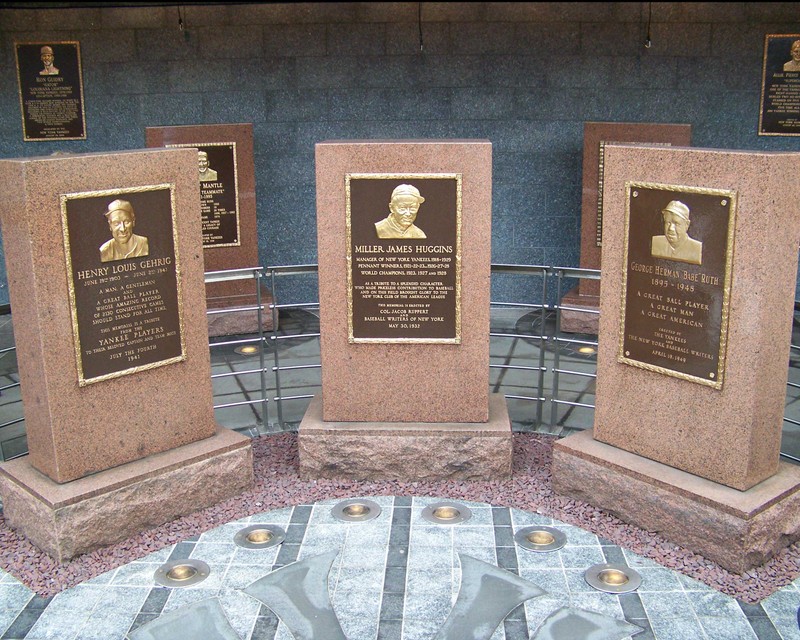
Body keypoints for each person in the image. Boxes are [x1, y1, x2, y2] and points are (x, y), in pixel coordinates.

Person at [650, 200, 702, 265]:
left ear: (687, 225)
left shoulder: (696, 248)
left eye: (676, 223)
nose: (671, 228)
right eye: (668, 222)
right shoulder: (656, 242)